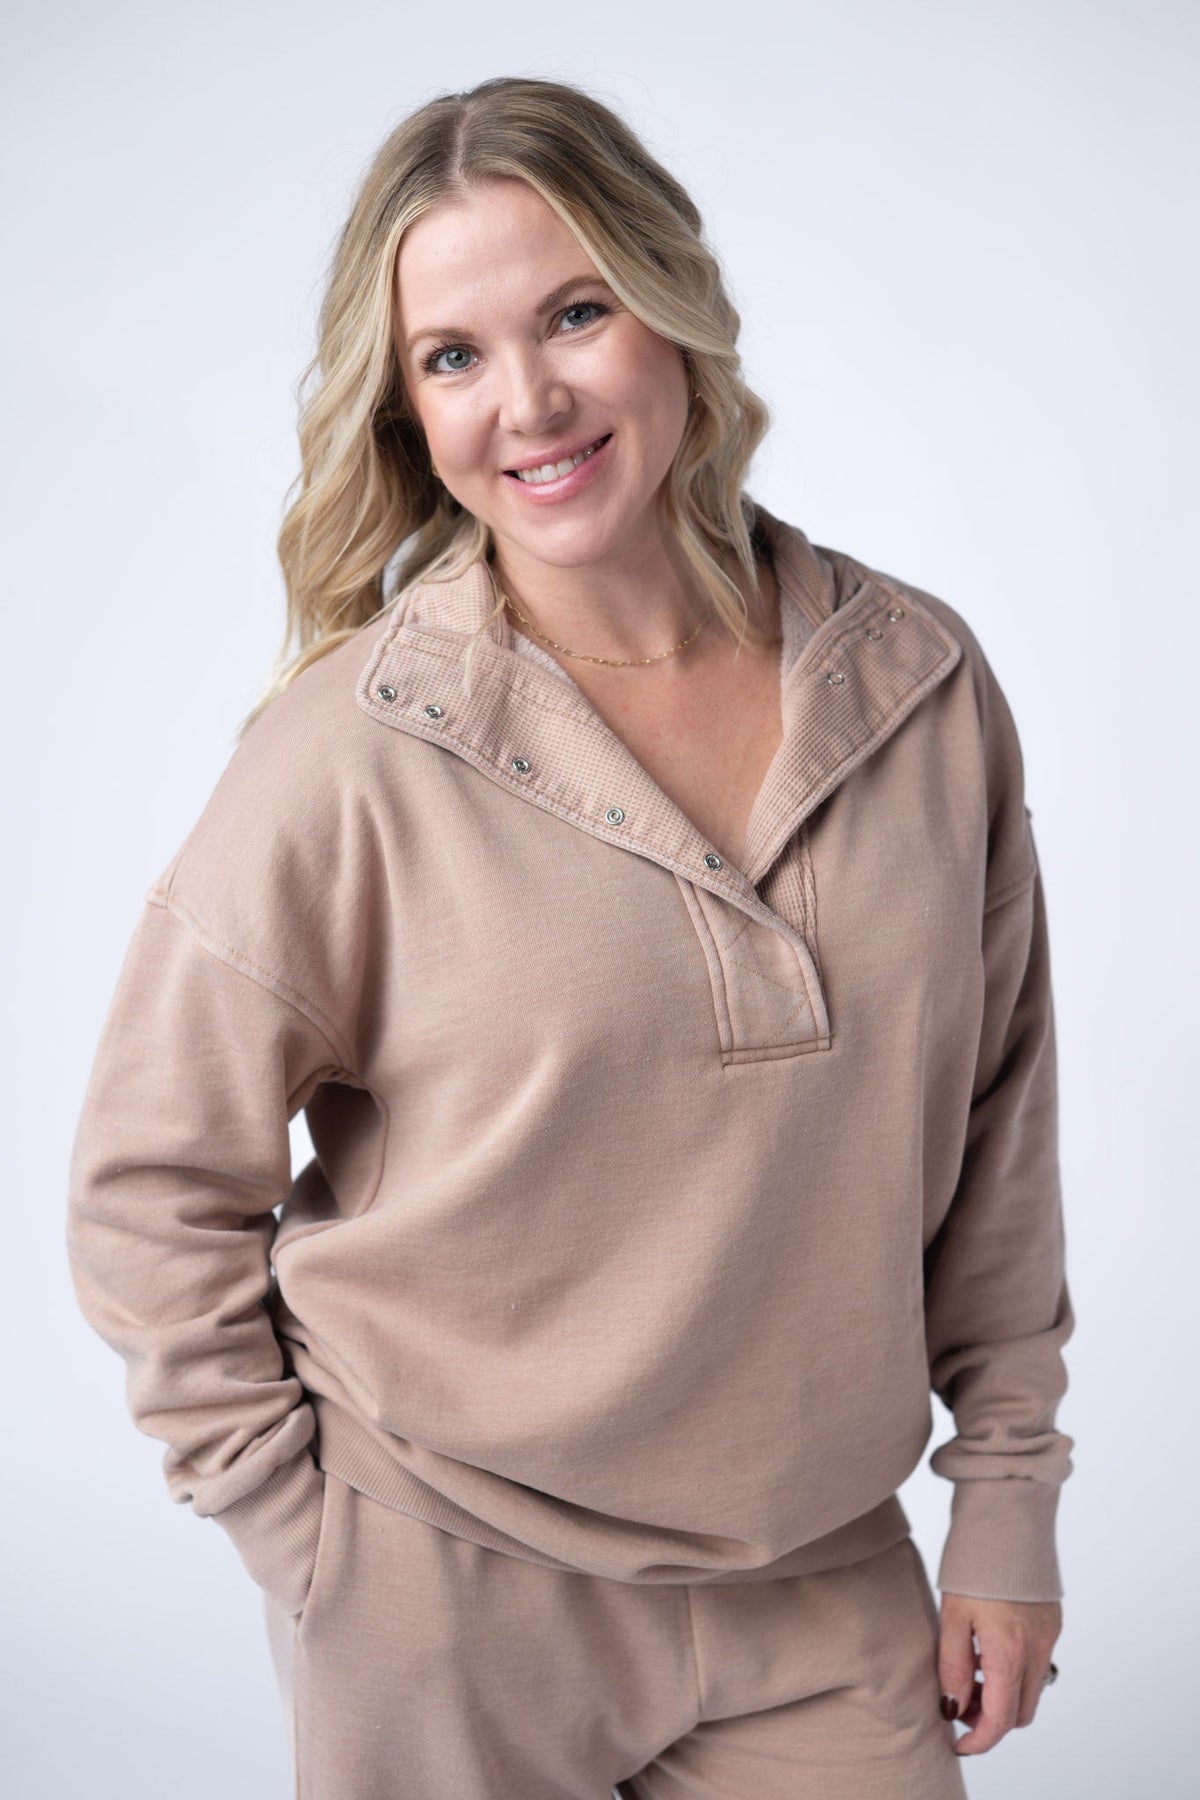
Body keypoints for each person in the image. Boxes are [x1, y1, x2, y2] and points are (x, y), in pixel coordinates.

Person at [65, 74, 1073, 1799]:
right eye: (453, 355)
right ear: (407, 409)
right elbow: (147, 1187)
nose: (527, 401)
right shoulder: (351, 753)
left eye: (576, 313)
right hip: (445, 1589)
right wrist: (314, 1544)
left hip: (823, 1577)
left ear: (674, 305)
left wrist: (1007, 1495)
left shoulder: (917, 686)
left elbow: (1000, 1127)